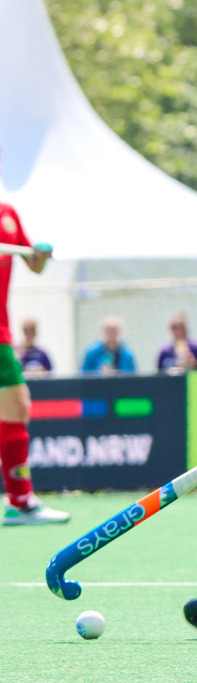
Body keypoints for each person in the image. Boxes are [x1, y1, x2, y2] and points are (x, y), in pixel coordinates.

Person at [0, 140, 69, 525]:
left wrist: (38, 254)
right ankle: (21, 502)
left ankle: (20, 502)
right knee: (16, 406)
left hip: (2, 331)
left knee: (16, 408)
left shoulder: (7, 213)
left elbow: (33, 265)